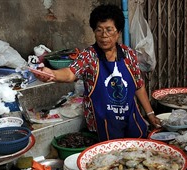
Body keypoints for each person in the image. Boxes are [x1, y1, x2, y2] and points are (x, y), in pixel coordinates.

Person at [31, 4, 161, 141]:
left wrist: (150, 113)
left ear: (118, 32)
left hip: (129, 118)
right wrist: (52, 74)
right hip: (101, 123)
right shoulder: (89, 55)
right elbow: (70, 73)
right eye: (99, 30)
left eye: (109, 30)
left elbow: (138, 86)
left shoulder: (129, 55)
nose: (104, 36)